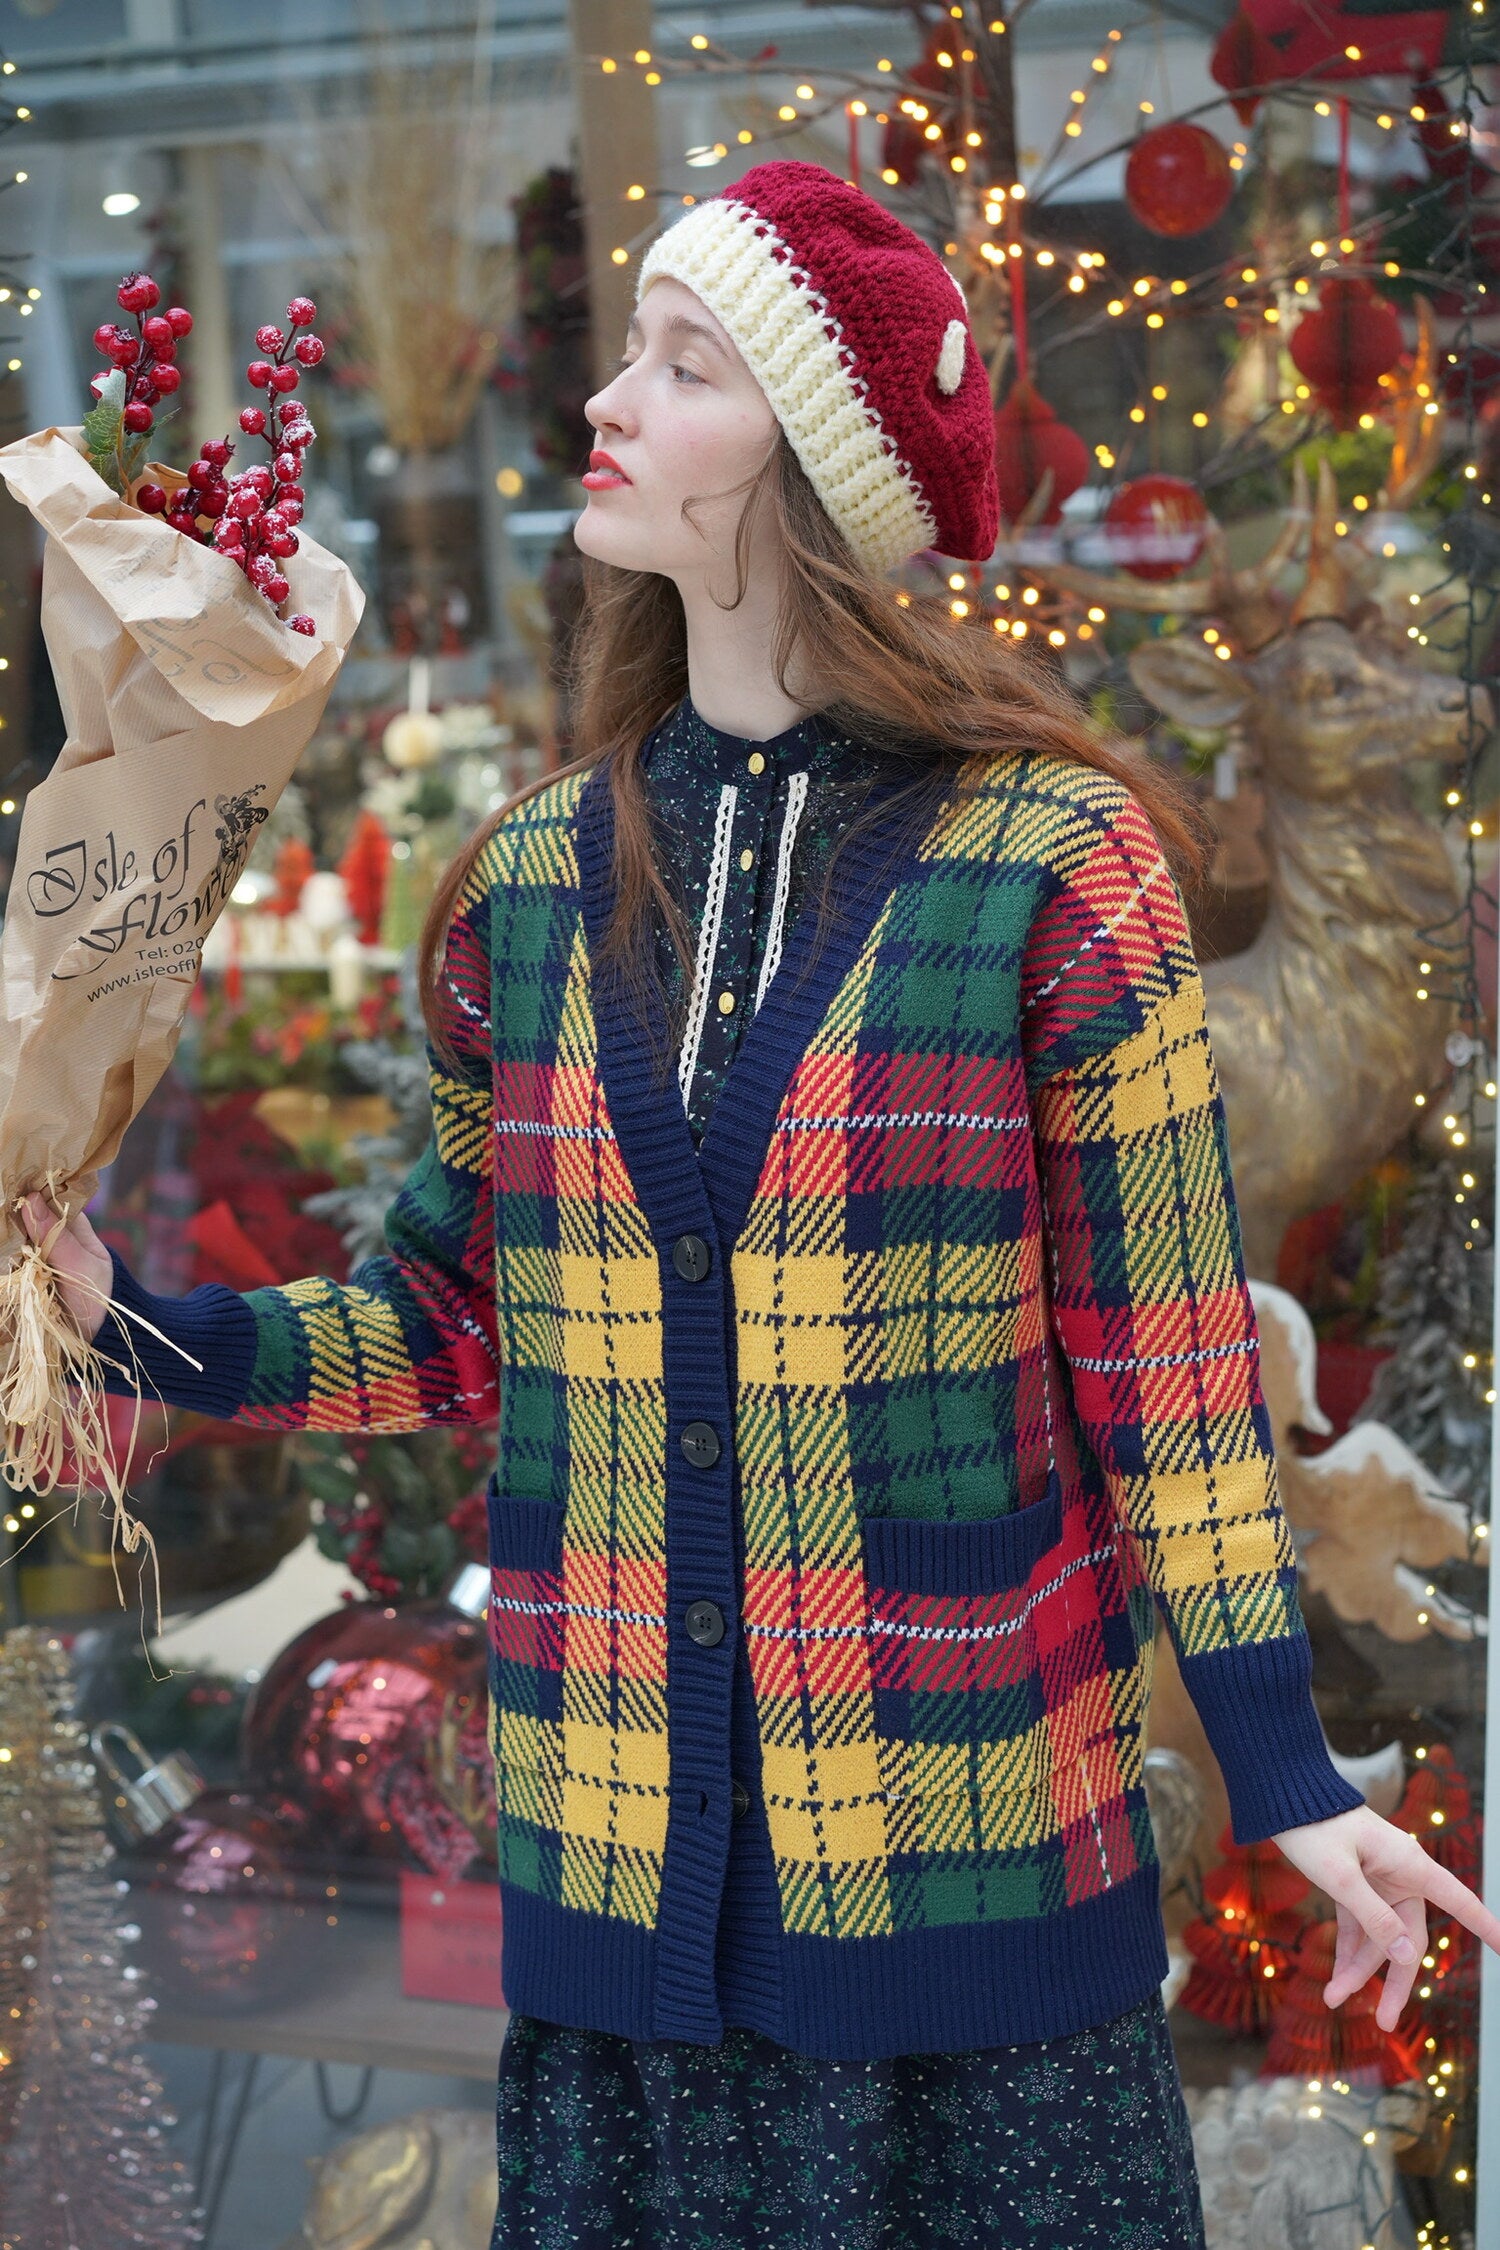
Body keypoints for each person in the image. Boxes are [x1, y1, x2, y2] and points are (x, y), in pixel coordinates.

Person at [28, 160, 1500, 2249]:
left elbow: (1169, 1382)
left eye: (682, 361)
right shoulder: (534, 885)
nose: (609, 405)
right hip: (626, 1935)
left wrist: (1286, 1781)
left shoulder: (1056, 871)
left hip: (974, 1933)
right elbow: (453, 1313)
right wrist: (130, 1320)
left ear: (821, 464)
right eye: (629, 348)